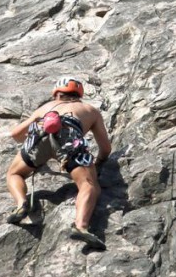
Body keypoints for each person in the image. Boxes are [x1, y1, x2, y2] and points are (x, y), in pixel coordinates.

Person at [6, 77, 111, 249]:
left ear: (57, 94)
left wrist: (37, 153)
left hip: (39, 136)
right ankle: (81, 226)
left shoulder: (46, 107)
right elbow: (105, 148)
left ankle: (21, 204)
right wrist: (98, 163)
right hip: (69, 138)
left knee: (14, 174)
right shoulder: (89, 109)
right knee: (88, 185)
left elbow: (16, 134)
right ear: (79, 94)